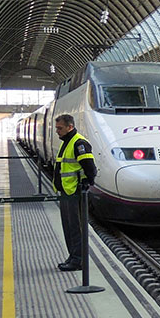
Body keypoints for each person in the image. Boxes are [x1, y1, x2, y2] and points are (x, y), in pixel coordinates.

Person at [53, 114, 96, 272]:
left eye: (60, 128)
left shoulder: (79, 143)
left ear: (69, 127)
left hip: (75, 193)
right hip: (67, 191)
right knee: (69, 227)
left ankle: (78, 260)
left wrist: (86, 183)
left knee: (76, 228)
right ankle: (73, 256)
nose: (57, 131)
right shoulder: (67, 142)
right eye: (57, 128)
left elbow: (90, 167)